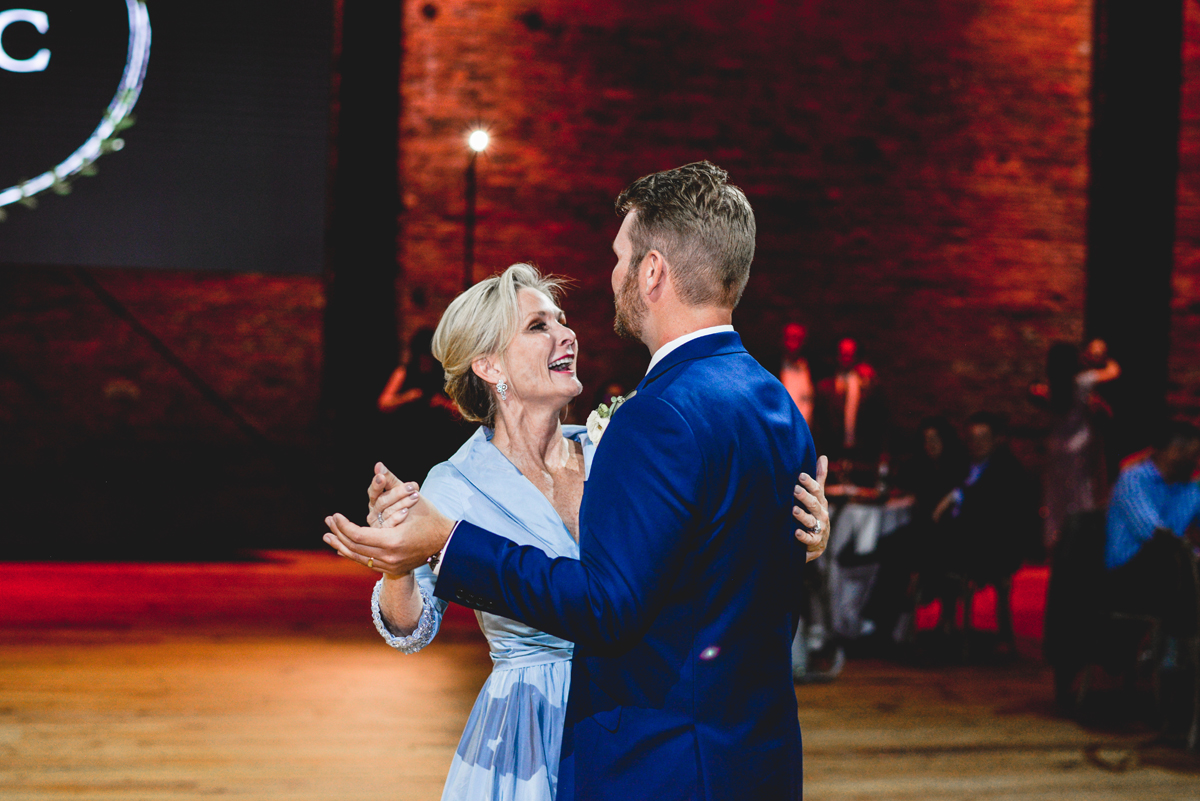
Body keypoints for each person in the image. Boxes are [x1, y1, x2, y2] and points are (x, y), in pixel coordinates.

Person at [325, 162, 829, 800]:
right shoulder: (458, 480)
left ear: (652, 273)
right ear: (489, 365)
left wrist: (803, 534)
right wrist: (400, 557)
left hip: (637, 732)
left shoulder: (619, 436)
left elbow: (617, 601)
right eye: (540, 326)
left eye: (561, 318)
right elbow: (411, 626)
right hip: (537, 731)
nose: (567, 331)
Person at [929, 411, 1039, 641]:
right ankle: (938, 618)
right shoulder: (963, 465)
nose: (977, 443)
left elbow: (993, 512)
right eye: (972, 438)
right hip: (963, 539)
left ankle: (941, 617)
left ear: (997, 440)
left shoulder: (1006, 469)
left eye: (983, 437)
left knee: (938, 550)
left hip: (993, 547)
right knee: (928, 544)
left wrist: (956, 499)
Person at [1105, 419, 1200, 639]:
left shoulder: (1188, 487)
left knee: (1182, 568)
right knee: (1177, 565)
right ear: (1168, 451)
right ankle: (1173, 659)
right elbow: (1152, 534)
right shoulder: (1134, 479)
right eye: (1191, 454)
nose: (1194, 461)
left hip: (1171, 567)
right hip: (1129, 572)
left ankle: (1182, 655)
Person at [1033, 340, 1121, 551]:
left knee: (1056, 498)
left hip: (1056, 447)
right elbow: (1114, 372)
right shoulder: (1081, 382)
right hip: (1078, 446)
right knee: (1081, 495)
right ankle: (1082, 540)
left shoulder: (1052, 385)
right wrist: (1101, 358)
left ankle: (1056, 542)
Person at [813, 337, 887, 474]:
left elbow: (879, 421)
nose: (846, 357)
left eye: (850, 353)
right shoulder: (825, 387)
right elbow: (819, 426)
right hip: (832, 454)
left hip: (863, 455)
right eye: (843, 353)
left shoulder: (867, 384)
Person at [779, 322, 815, 422]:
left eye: (797, 338)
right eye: (789, 338)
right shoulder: (770, 369)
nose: (793, 343)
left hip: (809, 434)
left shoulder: (813, 368)